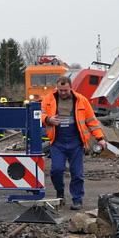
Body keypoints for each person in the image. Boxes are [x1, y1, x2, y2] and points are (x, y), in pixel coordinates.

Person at [41, 75, 106, 210]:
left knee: (77, 173)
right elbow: (39, 114)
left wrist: (100, 138)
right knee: (56, 170)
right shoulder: (48, 100)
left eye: (65, 90)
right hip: (57, 142)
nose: (63, 93)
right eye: (60, 90)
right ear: (57, 88)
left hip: (75, 142)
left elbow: (92, 122)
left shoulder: (81, 101)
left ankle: (77, 199)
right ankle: (60, 192)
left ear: (71, 87)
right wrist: (48, 119)